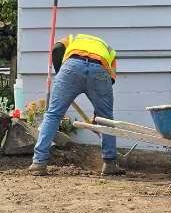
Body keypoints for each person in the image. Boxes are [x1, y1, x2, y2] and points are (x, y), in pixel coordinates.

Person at [29, 34, 124, 177]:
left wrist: (61, 75)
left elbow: (57, 48)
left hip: (71, 68)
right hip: (100, 69)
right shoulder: (109, 51)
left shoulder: (72, 39)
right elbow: (110, 80)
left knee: (53, 115)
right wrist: (98, 116)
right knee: (106, 119)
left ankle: (38, 163)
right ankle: (109, 163)